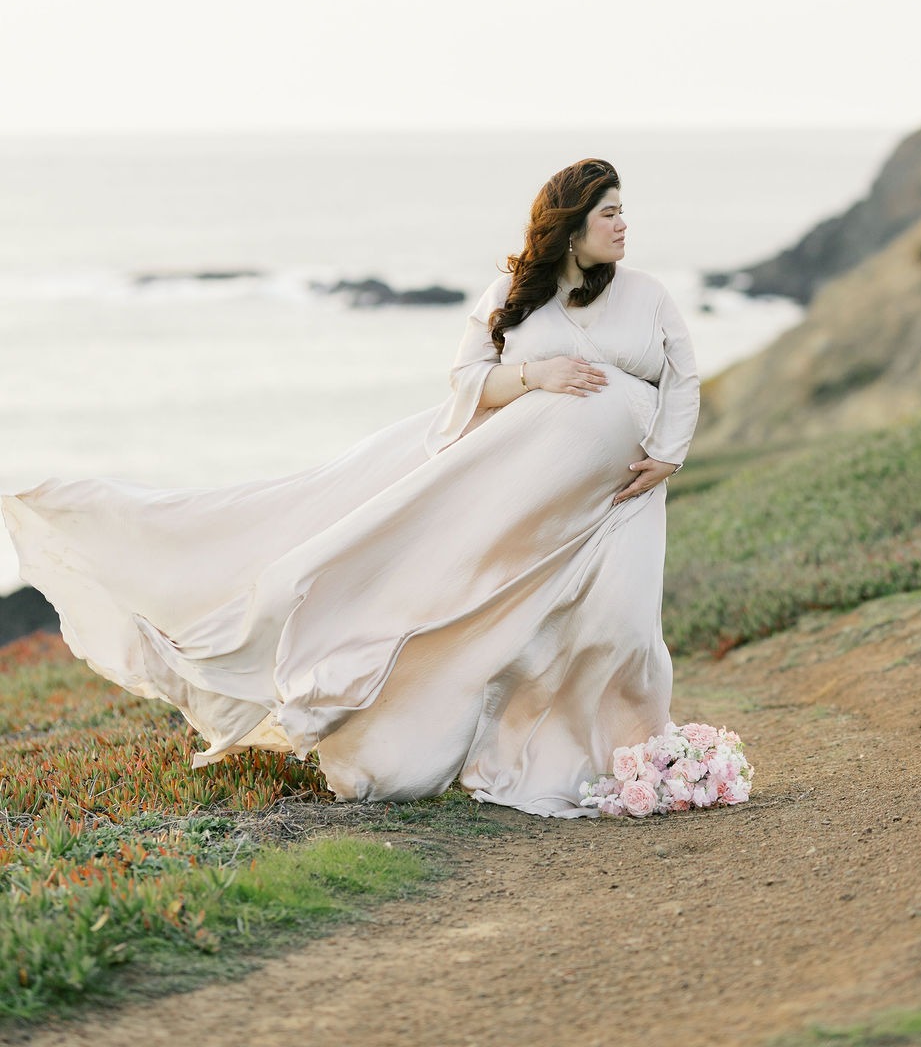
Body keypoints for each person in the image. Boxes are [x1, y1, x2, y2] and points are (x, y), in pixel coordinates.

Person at [1, 158, 700, 819]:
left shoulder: (648, 296)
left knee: (622, 627)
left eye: (621, 211)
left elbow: (683, 375)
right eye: (609, 213)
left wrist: (667, 456)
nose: (623, 224)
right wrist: (534, 376)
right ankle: (465, 740)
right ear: (571, 226)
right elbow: (465, 384)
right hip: (510, 497)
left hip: (619, 502)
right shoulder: (512, 297)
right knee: (451, 603)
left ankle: (628, 754)